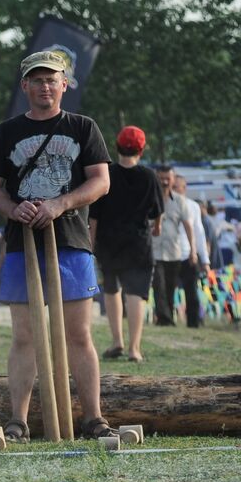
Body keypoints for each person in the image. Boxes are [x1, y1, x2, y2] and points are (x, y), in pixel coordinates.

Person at [0, 48, 113, 441]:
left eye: (51, 79)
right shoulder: (6, 132)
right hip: (23, 244)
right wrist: (13, 208)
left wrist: (59, 203)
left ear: (64, 85)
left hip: (70, 240)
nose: (45, 86)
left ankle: (93, 418)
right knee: (25, 334)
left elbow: (100, 181)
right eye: (37, 80)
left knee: (78, 335)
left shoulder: (83, 127)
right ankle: (17, 421)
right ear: (25, 86)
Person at [88, 125, 163, 363]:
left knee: (111, 290)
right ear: (141, 149)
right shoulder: (150, 176)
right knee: (135, 293)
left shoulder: (106, 175)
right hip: (138, 242)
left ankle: (116, 341)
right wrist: (158, 226)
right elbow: (157, 211)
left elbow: (94, 215)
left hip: (108, 241)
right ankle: (134, 349)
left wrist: (91, 242)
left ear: (117, 147)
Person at [150, 166, 195, 327]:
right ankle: (164, 319)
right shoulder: (150, 198)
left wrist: (193, 251)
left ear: (173, 179)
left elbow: (189, 227)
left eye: (167, 178)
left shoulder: (180, 201)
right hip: (154, 251)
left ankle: (167, 317)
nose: (164, 182)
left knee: (170, 288)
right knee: (159, 285)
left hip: (173, 251)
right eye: (161, 178)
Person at [174, 174, 208, 327]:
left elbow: (199, 233)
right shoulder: (162, 203)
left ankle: (193, 323)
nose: (173, 190)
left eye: (176, 187)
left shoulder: (193, 206)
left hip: (188, 254)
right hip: (169, 255)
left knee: (192, 292)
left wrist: (205, 260)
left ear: (184, 188)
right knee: (165, 292)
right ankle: (166, 323)